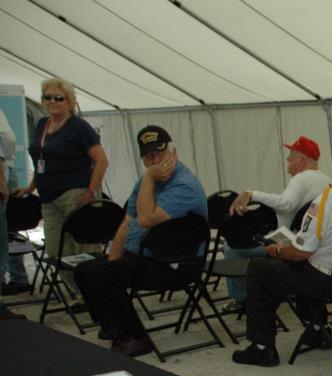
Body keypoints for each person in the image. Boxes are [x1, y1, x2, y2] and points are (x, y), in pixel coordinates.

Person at [231, 137, 332, 368]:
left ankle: (262, 348)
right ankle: (317, 330)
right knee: (306, 264)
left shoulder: (330, 198)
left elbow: (300, 252)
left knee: (263, 268)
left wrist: (278, 250)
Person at [74, 126, 208, 357]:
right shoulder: (146, 181)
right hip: (147, 255)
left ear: (173, 153)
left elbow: (145, 219)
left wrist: (148, 178)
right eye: (148, 156)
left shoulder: (183, 185)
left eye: (159, 153)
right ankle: (113, 326)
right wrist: (113, 261)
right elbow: (126, 224)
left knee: (101, 275)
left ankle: (137, 337)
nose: (154, 160)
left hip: (176, 263)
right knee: (85, 270)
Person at [14, 78, 108, 306]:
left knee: (84, 248)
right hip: (48, 198)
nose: (52, 102)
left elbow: (102, 161)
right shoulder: (43, 124)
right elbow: (41, 161)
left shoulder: (78, 126)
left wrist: (90, 191)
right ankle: (79, 291)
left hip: (75, 194)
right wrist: (31, 187)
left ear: (70, 102)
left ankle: (96, 294)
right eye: (48, 97)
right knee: (56, 250)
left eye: (59, 98)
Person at [223, 136, 331, 310]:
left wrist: (252, 194)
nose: (288, 159)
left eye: (291, 155)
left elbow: (286, 204)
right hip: (311, 244)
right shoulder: (327, 180)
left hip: (290, 244)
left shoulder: (301, 179)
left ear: (302, 159)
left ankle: (242, 299)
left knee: (231, 248)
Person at [0, 108, 30, 295]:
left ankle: (10, 279)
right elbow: (9, 138)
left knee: (6, 232)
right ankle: (18, 277)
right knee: (11, 229)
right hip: (7, 169)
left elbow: (7, 138)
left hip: (4, 171)